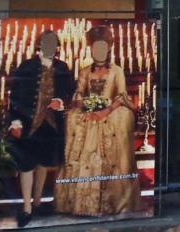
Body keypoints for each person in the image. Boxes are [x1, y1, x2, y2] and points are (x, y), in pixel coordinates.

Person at [55, 25, 141, 217]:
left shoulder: (117, 71)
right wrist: (83, 104)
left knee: (120, 123)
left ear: (109, 49)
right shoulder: (85, 71)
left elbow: (121, 95)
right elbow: (79, 92)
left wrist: (106, 110)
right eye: (95, 48)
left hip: (111, 113)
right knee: (74, 118)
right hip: (89, 112)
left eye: (102, 47)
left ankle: (113, 202)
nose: (99, 51)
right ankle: (82, 204)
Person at [5, 30, 75, 228]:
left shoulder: (63, 68)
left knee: (44, 162)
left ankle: (37, 201)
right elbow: (15, 96)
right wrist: (16, 122)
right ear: (39, 45)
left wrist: (60, 102)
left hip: (52, 124)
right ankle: (27, 208)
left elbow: (70, 92)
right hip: (28, 123)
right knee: (26, 164)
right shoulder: (26, 67)